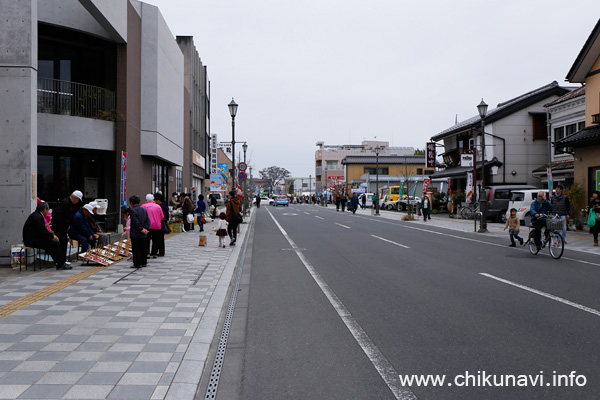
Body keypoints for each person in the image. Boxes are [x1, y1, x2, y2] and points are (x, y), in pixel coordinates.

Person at [23, 202, 70, 270]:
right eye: (48, 210)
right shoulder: (37, 217)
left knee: (52, 244)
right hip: (32, 240)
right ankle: (61, 263)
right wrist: (52, 236)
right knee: (55, 243)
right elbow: (42, 231)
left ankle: (59, 262)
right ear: (45, 209)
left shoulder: (36, 215)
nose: (48, 212)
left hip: (32, 239)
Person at [52, 190, 83, 262]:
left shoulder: (66, 202)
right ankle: (61, 260)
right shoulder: (65, 203)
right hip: (60, 227)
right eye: (78, 200)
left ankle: (61, 259)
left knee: (63, 242)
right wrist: (65, 225)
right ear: (75, 198)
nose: (77, 202)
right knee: (63, 243)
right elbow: (59, 215)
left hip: (61, 226)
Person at [128, 195, 150, 268]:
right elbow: (148, 220)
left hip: (135, 232)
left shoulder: (132, 210)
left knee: (136, 248)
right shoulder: (144, 209)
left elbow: (135, 221)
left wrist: (141, 229)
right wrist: (145, 229)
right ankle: (144, 262)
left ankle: (137, 263)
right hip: (143, 233)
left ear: (131, 203)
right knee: (143, 248)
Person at [142, 194, 164, 258]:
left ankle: (147, 253)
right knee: (156, 239)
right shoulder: (158, 206)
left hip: (147, 225)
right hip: (157, 225)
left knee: (146, 240)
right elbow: (162, 216)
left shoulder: (143, 206)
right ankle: (154, 253)